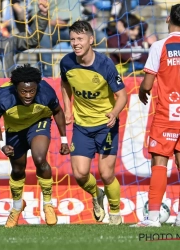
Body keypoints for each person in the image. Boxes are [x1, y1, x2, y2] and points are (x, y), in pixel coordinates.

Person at [60, 20, 127, 225]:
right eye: (72, 39)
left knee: (106, 174)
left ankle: (115, 213)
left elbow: (122, 96)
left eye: (80, 39)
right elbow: (64, 83)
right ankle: (97, 194)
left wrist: (114, 113)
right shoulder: (66, 62)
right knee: (80, 174)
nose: (75, 43)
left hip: (105, 126)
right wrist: (67, 107)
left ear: (91, 40)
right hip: (82, 126)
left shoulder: (105, 65)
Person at [0, 64, 70, 227]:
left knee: (40, 159)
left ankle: (48, 204)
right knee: (18, 170)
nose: (28, 95)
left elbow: (58, 112)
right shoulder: (3, 96)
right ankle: (17, 207)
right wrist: (2, 144)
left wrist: (64, 140)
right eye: (23, 91)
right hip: (14, 129)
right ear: (15, 88)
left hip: (38, 122)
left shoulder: (45, 92)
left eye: (31, 91)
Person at [132, 4, 180, 227]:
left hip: (167, 115)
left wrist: (142, 91)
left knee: (160, 163)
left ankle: (152, 219)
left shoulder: (160, 46)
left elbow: (148, 83)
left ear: (168, 18)